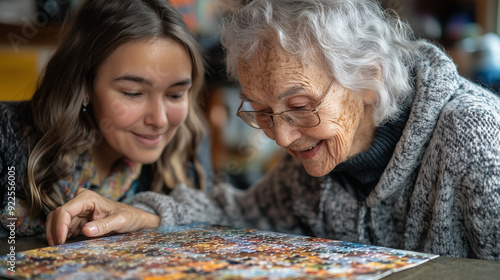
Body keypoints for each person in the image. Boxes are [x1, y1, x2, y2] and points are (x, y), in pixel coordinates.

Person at [46, 0, 500, 261]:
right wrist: (139, 213)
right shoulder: (319, 156)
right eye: (261, 112)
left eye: (299, 107)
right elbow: (243, 212)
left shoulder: (474, 137)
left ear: (370, 76)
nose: (281, 138)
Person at [0, 0, 212, 245]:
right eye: (133, 93)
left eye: (175, 94)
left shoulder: (188, 139)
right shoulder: (6, 134)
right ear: (85, 86)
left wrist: (146, 216)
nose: (160, 120)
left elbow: (216, 219)